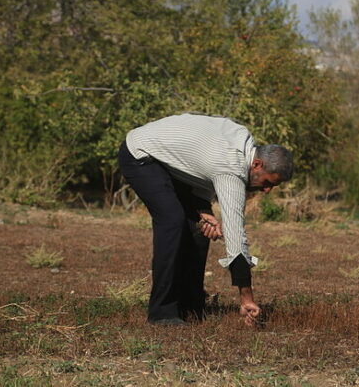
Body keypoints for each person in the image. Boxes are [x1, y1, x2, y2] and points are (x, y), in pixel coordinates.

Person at [118, 113, 293, 326]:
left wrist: (202, 209)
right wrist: (246, 297)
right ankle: (161, 313)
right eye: (267, 183)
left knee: (199, 229)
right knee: (172, 221)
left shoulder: (242, 141)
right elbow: (236, 240)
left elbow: (198, 164)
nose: (266, 190)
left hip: (170, 163)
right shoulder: (232, 168)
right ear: (257, 164)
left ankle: (191, 307)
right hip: (141, 154)